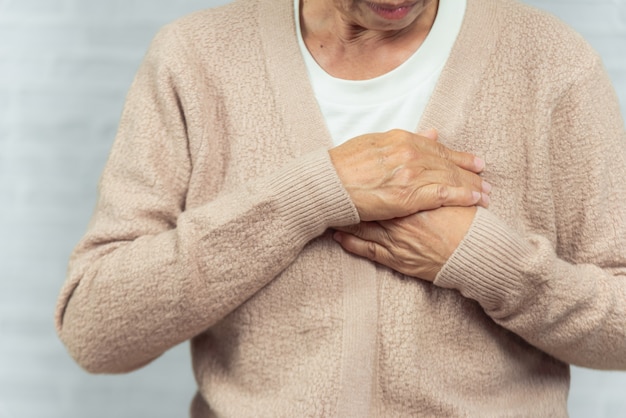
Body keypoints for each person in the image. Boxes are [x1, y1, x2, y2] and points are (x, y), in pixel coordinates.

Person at [55, 0, 626, 416]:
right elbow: (96, 330)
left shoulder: (549, 63)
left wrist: (483, 260)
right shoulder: (196, 59)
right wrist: (314, 193)